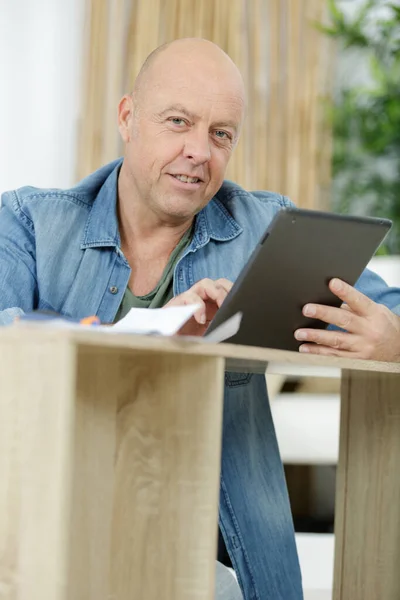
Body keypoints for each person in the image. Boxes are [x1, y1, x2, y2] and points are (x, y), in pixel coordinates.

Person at [1, 38, 399, 599]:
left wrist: (393, 336)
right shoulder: (28, 224)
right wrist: (151, 333)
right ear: (127, 117)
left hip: (204, 562)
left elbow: (390, 308)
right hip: (49, 537)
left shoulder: (267, 230)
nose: (199, 151)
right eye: (178, 121)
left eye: (221, 134)